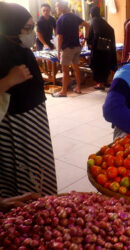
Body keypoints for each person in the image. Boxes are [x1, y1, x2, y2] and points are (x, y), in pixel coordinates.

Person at [0, 2, 57, 198]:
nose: (31, 33)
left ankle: (45, 204)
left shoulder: (21, 47)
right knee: (24, 177)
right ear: (11, 26)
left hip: (35, 119)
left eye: (32, 27)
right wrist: (8, 80)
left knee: (41, 167)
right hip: (15, 126)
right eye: (27, 28)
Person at [53, 1, 90, 97]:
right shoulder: (74, 16)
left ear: (62, 7)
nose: (56, 8)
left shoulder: (60, 20)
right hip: (77, 47)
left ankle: (63, 92)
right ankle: (78, 88)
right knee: (76, 68)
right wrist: (84, 40)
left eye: (57, 6)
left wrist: (58, 51)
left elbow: (60, 38)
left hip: (67, 48)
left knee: (65, 71)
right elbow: (87, 25)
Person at [87, 6, 117, 90]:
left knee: (98, 66)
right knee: (105, 65)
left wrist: (92, 43)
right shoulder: (102, 21)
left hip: (99, 49)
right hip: (107, 48)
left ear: (91, 13)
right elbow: (111, 30)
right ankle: (106, 81)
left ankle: (100, 84)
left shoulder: (94, 21)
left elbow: (96, 33)